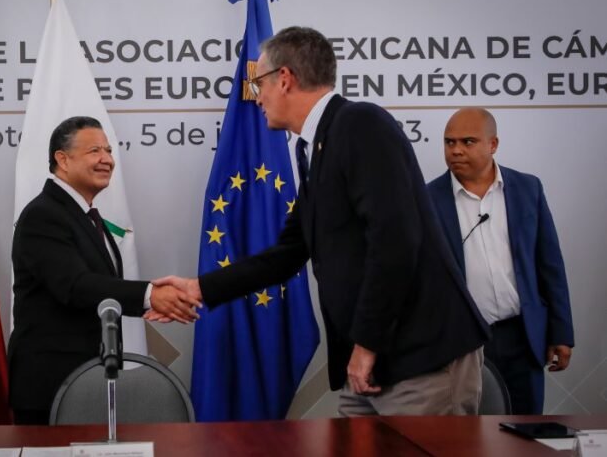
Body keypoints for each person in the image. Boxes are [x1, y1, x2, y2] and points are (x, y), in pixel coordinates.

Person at [152, 27, 490, 416]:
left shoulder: (360, 124)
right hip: (370, 362)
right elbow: (286, 255)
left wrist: (367, 344)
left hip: (420, 359)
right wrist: (198, 288)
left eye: (259, 84)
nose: (257, 97)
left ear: (284, 79)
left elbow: (396, 242)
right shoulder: (315, 147)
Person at [8, 116, 199, 424]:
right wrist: (150, 295)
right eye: (94, 151)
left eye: (109, 151)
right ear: (63, 160)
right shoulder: (43, 215)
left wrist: (148, 299)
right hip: (50, 386)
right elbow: (76, 286)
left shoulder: (83, 215)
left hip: (86, 381)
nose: (107, 159)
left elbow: (98, 288)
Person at [427, 107, 574, 414]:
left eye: (468, 142)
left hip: (522, 335)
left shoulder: (527, 189)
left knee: (525, 429)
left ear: (493, 144)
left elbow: (550, 265)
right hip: (462, 342)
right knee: (467, 433)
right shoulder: (427, 199)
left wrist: (561, 332)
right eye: (449, 142)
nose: (456, 150)